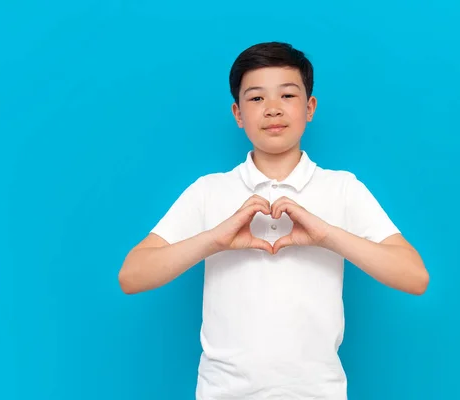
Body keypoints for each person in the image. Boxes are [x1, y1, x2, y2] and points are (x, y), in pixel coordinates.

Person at [118, 41, 429, 400]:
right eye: (256, 99)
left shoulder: (342, 188)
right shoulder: (209, 191)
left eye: (287, 95)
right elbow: (132, 275)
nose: (273, 109)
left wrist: (326, 235)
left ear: (310, 107)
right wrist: (214, 240)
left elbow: (414, 276)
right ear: (237, 113)